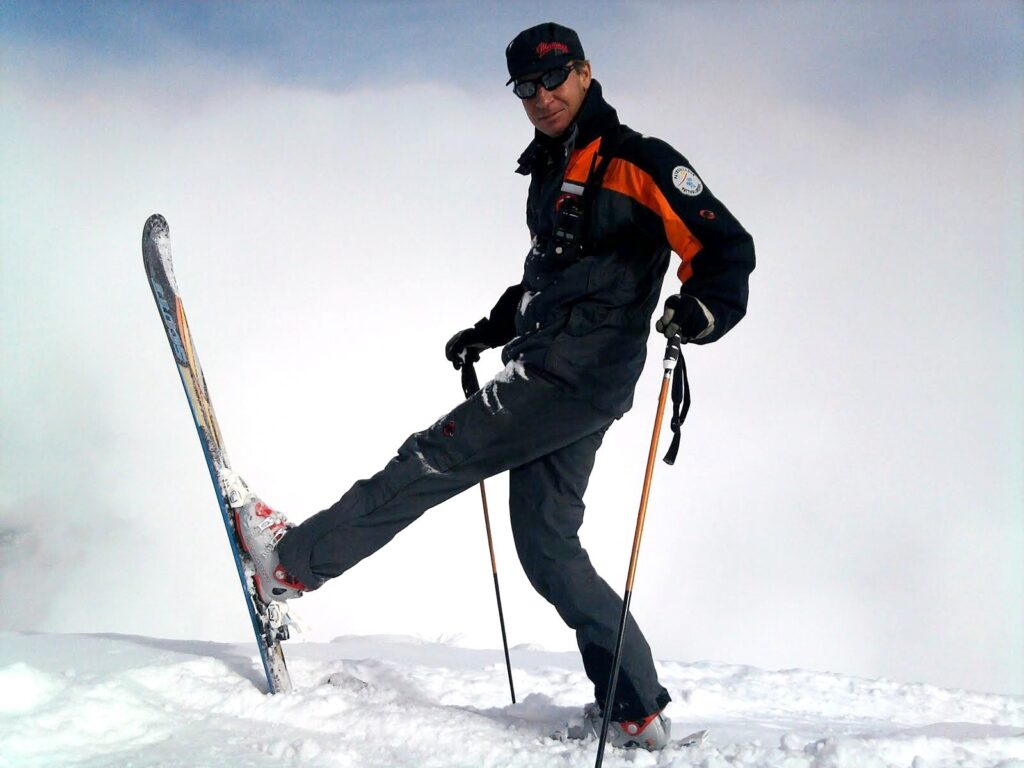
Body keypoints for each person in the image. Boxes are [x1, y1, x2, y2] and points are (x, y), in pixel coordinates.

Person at [235, 21, 754, 751]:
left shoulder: (639, 161)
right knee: (548, 549)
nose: (541, 97)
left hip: (570, 376)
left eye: (554, 78)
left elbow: (724, 246)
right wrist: (492, 326)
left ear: (585, 72)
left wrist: (703, 309)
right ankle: (634, 706)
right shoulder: (552, 168)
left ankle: (288, 566)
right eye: (526, 87)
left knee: (432, 457)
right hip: (568, 373)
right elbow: (556, 270)